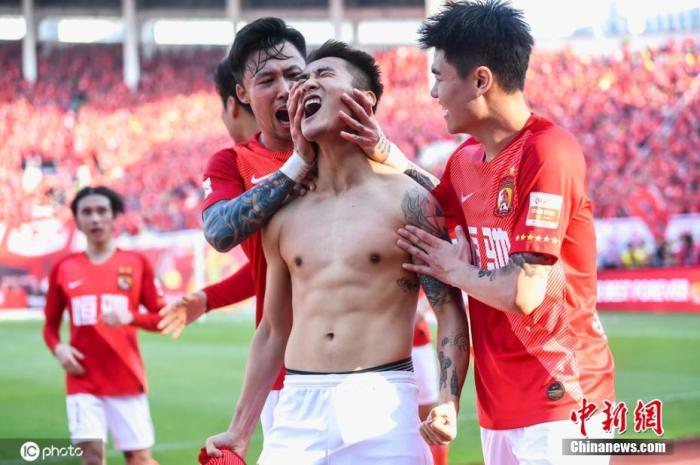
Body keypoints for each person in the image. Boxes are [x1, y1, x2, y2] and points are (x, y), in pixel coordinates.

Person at [359, 2, 615, 464]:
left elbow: (523, 293)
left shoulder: (548, 153)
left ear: (480, 80)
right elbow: (427, 204)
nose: (433, 92)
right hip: (498, 408)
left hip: (566, 402)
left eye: (439, 76)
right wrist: (384, 154)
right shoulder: (464, 162)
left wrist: (454, 269)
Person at [204, 40, 469, 465]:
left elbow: (449, 309)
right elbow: (273, 329)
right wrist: (240, 430)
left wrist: (447, 399)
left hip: (382, 406)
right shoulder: (283, 212)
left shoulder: (411, 201)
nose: (305, 83)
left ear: (362, 101)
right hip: (296, 409)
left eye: (322, 75)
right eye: (302, 77)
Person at [196, 18, 405, 440]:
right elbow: (219, 232)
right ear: (242, 93)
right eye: (266, 79)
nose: (286, 88)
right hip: (282, 372)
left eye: (295, 73)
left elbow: (436, 208)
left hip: (372, 363)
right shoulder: (232, 163)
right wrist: (295, 169)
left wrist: (389, 154)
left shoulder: (355, 149)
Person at [43, 186, 165, 465]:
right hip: (82, 379)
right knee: (92, 458)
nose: (95, 219)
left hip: (126, 378)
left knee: (139, 459)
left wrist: (132, 316)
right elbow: (49, 327)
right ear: (77, 220)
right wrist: (58, 348)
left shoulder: (136, 263)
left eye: (102, 211)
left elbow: (162, 318)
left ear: (115, 217)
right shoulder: (64, 269)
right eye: (87, 212)